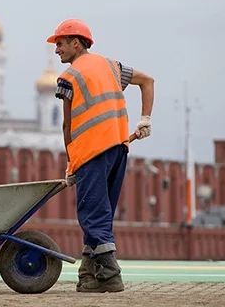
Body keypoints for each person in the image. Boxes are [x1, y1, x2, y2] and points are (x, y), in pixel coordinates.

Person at [47, 19, 154, 293]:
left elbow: (67, 126)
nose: (57, 49)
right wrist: (145, 119)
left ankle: (110, 273)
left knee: (92, 213)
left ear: (76, 42)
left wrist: (72, 163)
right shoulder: (112, 66)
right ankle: (90, 274)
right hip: (119, 148)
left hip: (91, 152)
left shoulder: (68, 78)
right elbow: (148, 81)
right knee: (100, 212)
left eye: (60, 43)